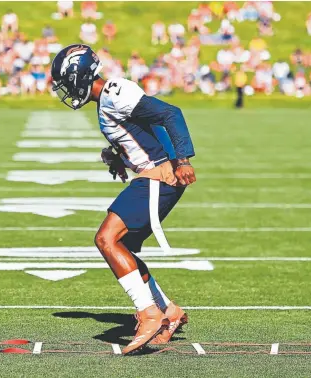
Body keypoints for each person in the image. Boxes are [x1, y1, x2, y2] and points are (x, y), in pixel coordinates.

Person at [51, 44, 196, 355]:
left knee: (106, 239)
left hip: (159, 177)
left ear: (78, 76)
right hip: (151, 175)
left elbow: (170, 114)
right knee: (121, 246)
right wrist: (117, 156)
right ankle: (167, 311)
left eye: (66, 83)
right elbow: (138, 132)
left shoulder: (115, 92)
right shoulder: (105, 100)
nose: (66, 91)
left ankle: (149, 313)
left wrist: (182, 160)